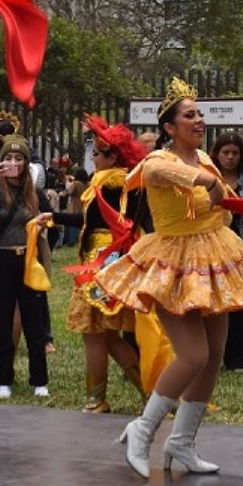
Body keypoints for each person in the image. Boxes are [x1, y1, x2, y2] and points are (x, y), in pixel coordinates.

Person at [99, 79, 243, 478]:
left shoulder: (206, 161)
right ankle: (142, 429)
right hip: (173, 262)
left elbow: (221, 209)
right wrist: (208, 183)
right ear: (170, 128)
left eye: (200, 113)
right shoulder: (157, 162)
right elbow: (163, 173)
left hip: (214, 257)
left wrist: (224, 201)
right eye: (189, 115)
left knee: (212, 359)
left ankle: (182, 441)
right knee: (192, 355)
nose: (199, 120)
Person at [68, 115, 146, 414]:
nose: (93, 159)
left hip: (99, 263)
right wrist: (55, 218)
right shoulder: (130, 183)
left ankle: (96, 400)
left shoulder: (106, 182)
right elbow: (94, 221)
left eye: (97, 154)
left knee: (94, 333)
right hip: (115, 260)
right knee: (109, 335)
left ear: (113, 155)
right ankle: (151, 395)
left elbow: (95, 225)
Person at [0, 134, 53, 399]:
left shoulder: (34, 193)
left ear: (26, 162)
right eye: (8, 158)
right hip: (2, 259)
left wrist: (45, 223)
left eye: (18, 158)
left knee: (34, 321)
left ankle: (39, 379)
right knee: (1, 320)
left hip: (28, 260)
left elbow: (50, 218)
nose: (13, 163)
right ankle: (3, 378)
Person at [209, 133, 243, 372]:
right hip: (212, 248)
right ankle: (214, 357)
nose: (230, 158)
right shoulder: (208, 178)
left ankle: (240, 360)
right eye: (225, 153)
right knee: (216, 305)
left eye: (235, 153)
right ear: (217, 154)